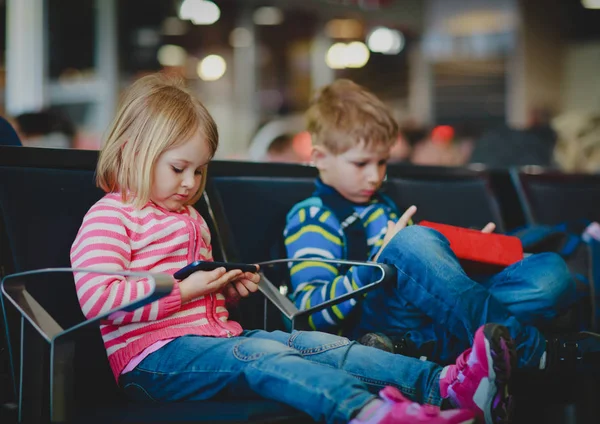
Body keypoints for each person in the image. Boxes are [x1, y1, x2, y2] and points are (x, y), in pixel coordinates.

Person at [69, 73, 515, 424]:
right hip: (152, 363)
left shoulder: (189, 217)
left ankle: (442, 385)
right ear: (131, 153)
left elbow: (192, 301)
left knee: (315, 344)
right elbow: (98, 301)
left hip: (214, 341)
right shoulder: (112, 217)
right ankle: (366, 413)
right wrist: (185, 293)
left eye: (200, 171)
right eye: (178, 168)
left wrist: (221, 290)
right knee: (264, 356)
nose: (191, 184)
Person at [283, 78, 600, 373]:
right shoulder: (313, 216)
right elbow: (310, 313)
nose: (375, 176)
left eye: (382, 162)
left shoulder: (383, 205)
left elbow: (425, 279)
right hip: (372, 321)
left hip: (421, 318)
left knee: (551, 275)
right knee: (411, 241)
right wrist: (377, 261)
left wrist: (462, 254)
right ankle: (531, 350)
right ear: (320, 158)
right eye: (361, 163)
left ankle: (416, 347)